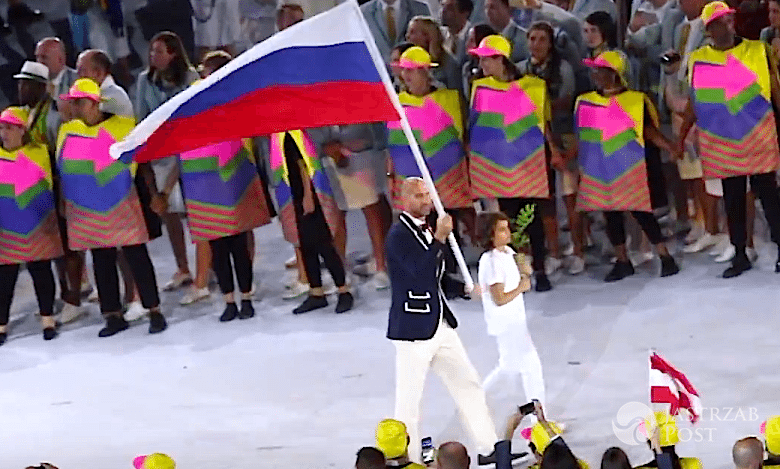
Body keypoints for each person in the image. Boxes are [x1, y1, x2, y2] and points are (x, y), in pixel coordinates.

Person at [385, 177, 499, 465]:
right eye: (419, 196)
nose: (426, 201)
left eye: (427, 195)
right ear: (403, 199)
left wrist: (461, 289)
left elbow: (437, 278)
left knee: (468, 383)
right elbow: (419, 274)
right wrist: (438, 239)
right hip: (413, 329)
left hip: (441, 324)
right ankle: (408, 460)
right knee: (409, 401)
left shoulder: (430, 230)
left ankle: (488, 448)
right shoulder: (398, 235)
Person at [676, 0, 780, 278]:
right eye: (721, 21)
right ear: (710, 28)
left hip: (758, 136)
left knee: (770, 196)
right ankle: (740, 253)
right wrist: (682, 134)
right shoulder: (699, 59)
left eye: (729, 19)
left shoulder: (758, 50)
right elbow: (695, 102)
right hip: (722, 141)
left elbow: (774, 89)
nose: (729, 23)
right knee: (732, 199)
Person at [56, 78, 167, 337]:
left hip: (123, 201)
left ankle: (154, 309)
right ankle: (112, 315)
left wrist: (154, 194)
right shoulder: (68, 131)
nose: (75, 107)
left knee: (136, 255)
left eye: (79, 102)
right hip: (86, 207)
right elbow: (64, 171)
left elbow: (142, 164)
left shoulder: (122, 126)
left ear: (94, 103)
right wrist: (64, 200)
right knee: (101, 258)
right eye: (72, 102)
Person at [469, 34, 565, 291]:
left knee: (532, 219)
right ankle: (520, 271)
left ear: (501, 59)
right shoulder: (480, 88)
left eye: (487, 59)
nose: (483, 64)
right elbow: (477, 127)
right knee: (508, 222)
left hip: (528, 162)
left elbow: (542, 123)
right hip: (498, 165)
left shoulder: (533, 86)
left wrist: (554, 150)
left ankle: (541, 270)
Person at [576, 51, 680, 281]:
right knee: (610, 215)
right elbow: (583, 136)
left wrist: (670, 146)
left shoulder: (635, 100)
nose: (596, 74)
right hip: (602, 168)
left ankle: (664, 255)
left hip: (629, 167)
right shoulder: (586, 101)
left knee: (641, 211)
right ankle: (622, 260)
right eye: (595, 70)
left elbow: (649, 131)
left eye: (601, 70)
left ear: (615, 75)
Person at [136, 31, 200, 291]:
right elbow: (143, 116)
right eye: (152, 51)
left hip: (189, 150)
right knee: (170, 214)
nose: (153, 56)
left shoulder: (190, 77)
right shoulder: (144, 81)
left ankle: (210, 265)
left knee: (197, 211)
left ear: (173, 54)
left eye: (159, 51)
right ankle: (182, 267)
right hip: (161, 154)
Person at [519, 21, 583, 275]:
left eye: (541, 39)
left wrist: (536, 106)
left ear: (551, 43)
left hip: (563, 134)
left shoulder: (563, 69)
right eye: (532, 39)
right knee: (545, 199)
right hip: (534, 140)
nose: (535, 44)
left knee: (570, 197)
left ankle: (579, 250)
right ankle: (553, 251)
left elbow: (564, 102)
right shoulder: (522, 70)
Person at [387, 46, 472, 238]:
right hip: (411, 175)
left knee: (448, 222)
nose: (405, 74)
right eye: (404, 69)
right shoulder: (397, 102)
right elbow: (394, 145)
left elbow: (459, 137)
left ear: (425, 71)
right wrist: (390, 174)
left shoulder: (447, 100)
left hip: (446, 177)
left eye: (411, 69)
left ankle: (451, 265)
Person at [269, 129, 354, 314]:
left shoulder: (294, 133)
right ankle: (316, 292)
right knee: (306, 245)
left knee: (324, 244)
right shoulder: (278, 135)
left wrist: (308, 195)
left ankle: (343, 290)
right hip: (293, 195)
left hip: (309, 195)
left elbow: (304, 165)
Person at [0, 106, 61, 345]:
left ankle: (47, 318)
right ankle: (2, 322)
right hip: (6, 227)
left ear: (22, 130)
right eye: (2, 128)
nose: (4, 133)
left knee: (41, 270)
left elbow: (46, 186)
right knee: (5, 276)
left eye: (10, 128)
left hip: (36, 223)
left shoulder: (39, 153)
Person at [477, 212, 546, 405]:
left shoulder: (508, 252)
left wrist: (525, 268)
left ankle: (474, 398)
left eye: (507, 228)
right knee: (530, 367)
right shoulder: (491, 261)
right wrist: (521, 288)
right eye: (501, 229)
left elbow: (526, 274)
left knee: (509, 367)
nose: (507, 233)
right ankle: (539, 420)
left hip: (516, 320)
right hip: (506, 323)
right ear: (489, 235)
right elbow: (499, 298)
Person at [322, 123, 391, 290]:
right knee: (335, 213)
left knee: (371, 207)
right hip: (326, 154)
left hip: (361, 150)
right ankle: (339, 269)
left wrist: (346, 144)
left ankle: (381, 266)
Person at [406, 16, 463, 95]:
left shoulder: (448, 63)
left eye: (412, 32)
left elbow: (457, 93)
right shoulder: (408, 60)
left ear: (426, 35)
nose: (407, 36)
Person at [360, 0, 432, 63]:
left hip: (414, 71)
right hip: (378, 75)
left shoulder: (420, 9)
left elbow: (431, 43)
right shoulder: (363, 12)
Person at [35, 38, 78, 103]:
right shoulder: (34, 84)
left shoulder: (77, 81)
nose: (39, 62)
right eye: (37, 57)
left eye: (44, 57)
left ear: (60, 60)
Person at [441, 0, 474, 66]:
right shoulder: (439, 35)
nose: (443, 11)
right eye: (443, 6)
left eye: (450, 8)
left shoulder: (474, 36)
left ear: (465, 13)